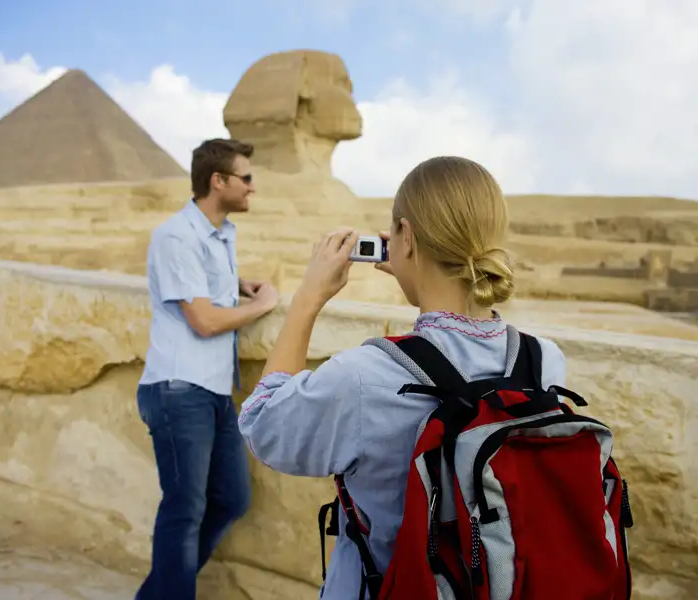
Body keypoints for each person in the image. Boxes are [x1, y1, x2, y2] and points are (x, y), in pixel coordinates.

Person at [237, 156, 567, 599]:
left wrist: (308, 297)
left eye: (397, 236)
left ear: (406, 237)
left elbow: (263, 423)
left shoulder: (365, 375)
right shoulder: (544, 360)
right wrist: (420, 270)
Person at [136, 138, 279, 600]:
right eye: (246, 178)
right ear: (218, 181)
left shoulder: (219, 232)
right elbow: (204, 321)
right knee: (184, 510)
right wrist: (262, 307)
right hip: (179, 388)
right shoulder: (176, 236)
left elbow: (204, 288)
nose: (253, 187)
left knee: (232, 498)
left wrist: (239, 284)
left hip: (214, 389)